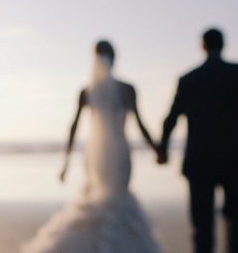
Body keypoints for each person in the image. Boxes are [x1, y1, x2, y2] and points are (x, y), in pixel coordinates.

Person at [21, 40, 162, 253]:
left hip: (96, 155)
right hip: (120, 152)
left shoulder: (88, 91)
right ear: (114, 60)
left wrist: (66, 162)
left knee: (96, 199)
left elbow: (74, 127)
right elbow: (140, 124)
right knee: (118, 199)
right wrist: (156, 149)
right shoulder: (126, 89)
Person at [158, 28, 238, 253]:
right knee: (234, 211)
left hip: (199, 157)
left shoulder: (188, 80)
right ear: (223, 45)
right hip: (231, 154)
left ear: (202, 46)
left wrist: (163, 149)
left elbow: (171, 118)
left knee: (201, 220)